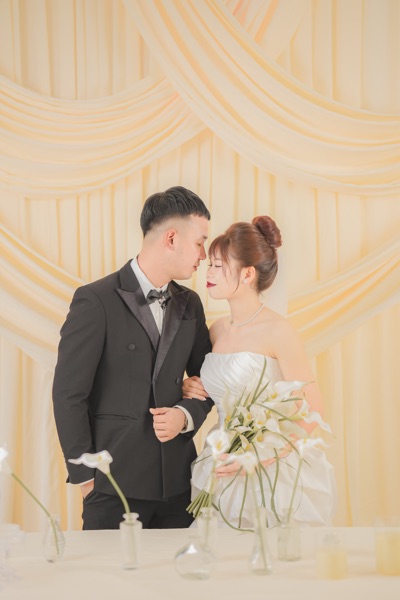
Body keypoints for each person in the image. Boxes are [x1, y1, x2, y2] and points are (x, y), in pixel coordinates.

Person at [52, 186, 214, 529]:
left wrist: (185, 414)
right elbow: (69, 394)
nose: (203, 255)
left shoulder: (191, 304)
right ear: (171, 238)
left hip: (178, 484)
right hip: (112, 486)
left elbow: (211, 380)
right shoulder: (95, 300)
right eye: (200, 242)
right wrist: (86, 478)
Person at [183, 216, 336, 528]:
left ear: (247, 274)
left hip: (270, 466)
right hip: (221, 460)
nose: (208, 273)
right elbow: (217, 387)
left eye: (218, 266)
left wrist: (262, 456)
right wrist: (191, 385)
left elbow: (314, 408)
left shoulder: (279, 331)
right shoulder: (217, 330)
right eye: (210, 265)